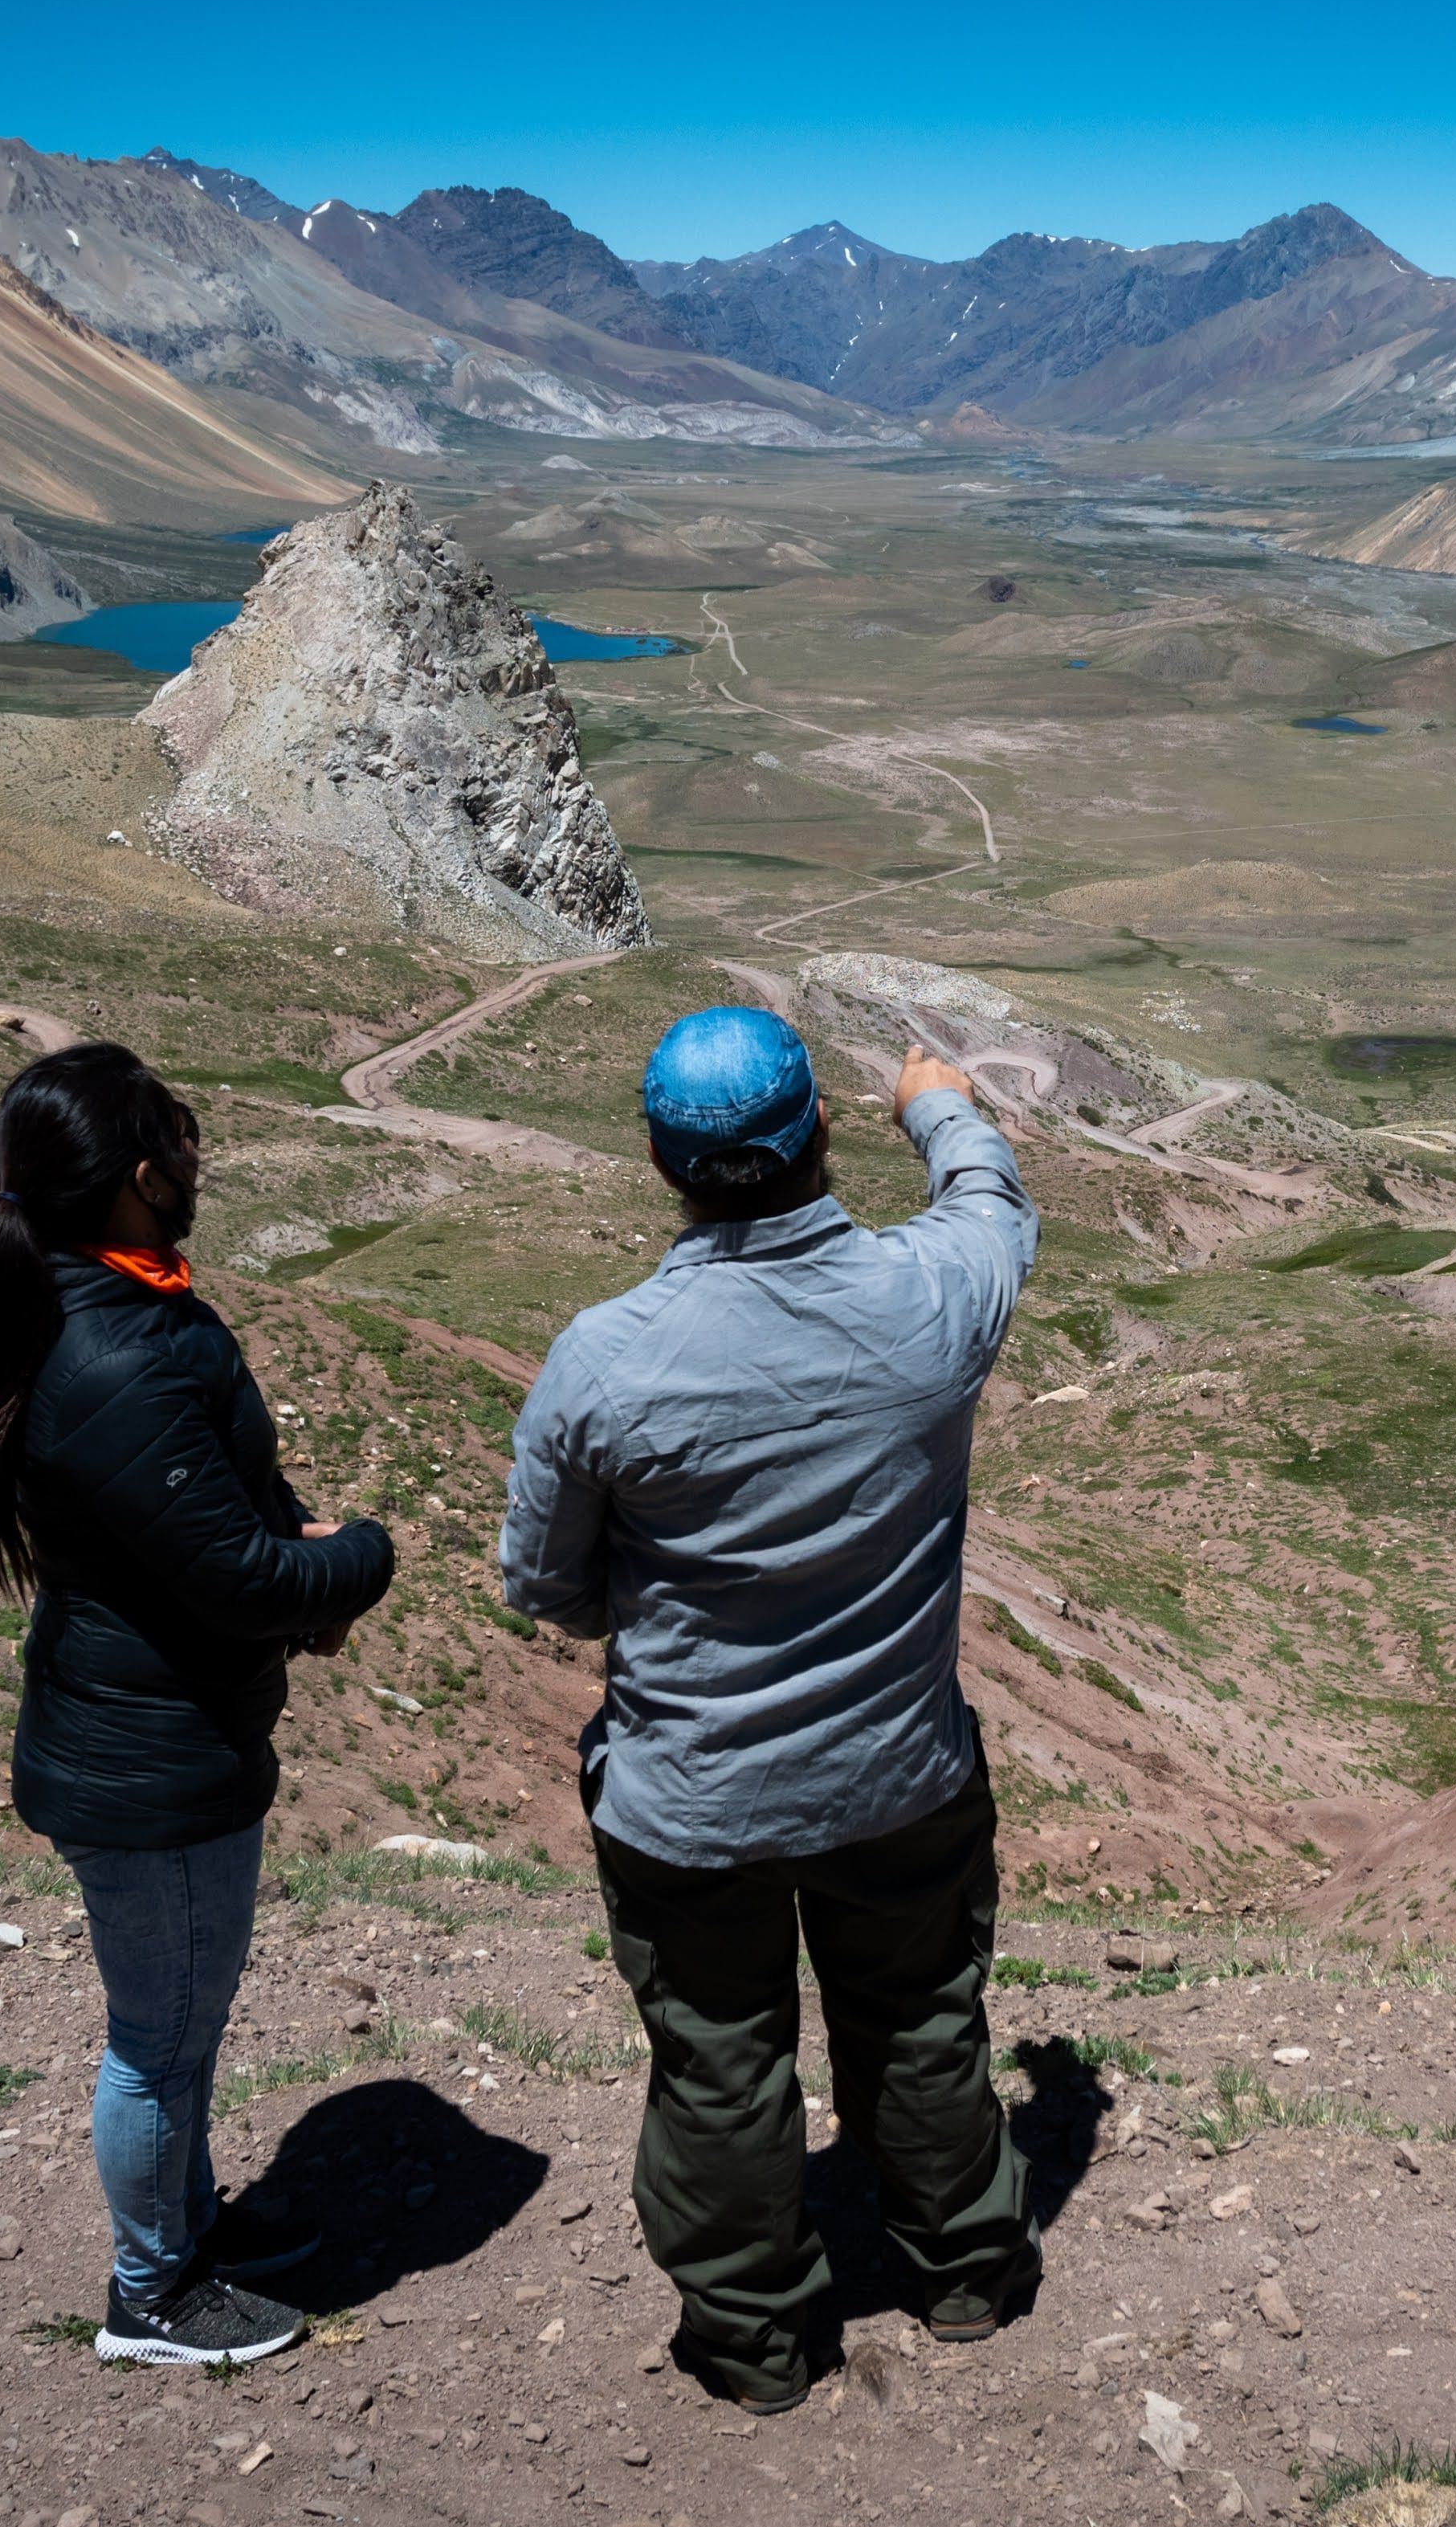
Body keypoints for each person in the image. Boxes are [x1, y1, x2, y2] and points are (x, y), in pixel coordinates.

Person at [500, 1006, 1042, 2412]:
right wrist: (936, 1101)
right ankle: (966, 2273)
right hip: (900, 1771)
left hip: (692, 1794)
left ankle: (753, 2344)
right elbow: (991, 1201)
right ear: (814, 1132)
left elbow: (546, 1584)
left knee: (720, 2063)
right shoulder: (930, 1301)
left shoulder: (606, 1359)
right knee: (924, 2015)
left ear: (663, 1162)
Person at [0, 1041, 397, 2368]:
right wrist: (357, 1557)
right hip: (151, 1763)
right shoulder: (117, 1355)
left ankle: (191, 2228)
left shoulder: (112, 1307)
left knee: (182, 2022)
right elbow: (231, 1568)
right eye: (182, 1140)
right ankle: (152, 2295)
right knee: (160, 2038)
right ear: (142, 1176)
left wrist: (283, 1575)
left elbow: (200, 1522)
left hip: (148, 1729)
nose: (199, 1156)